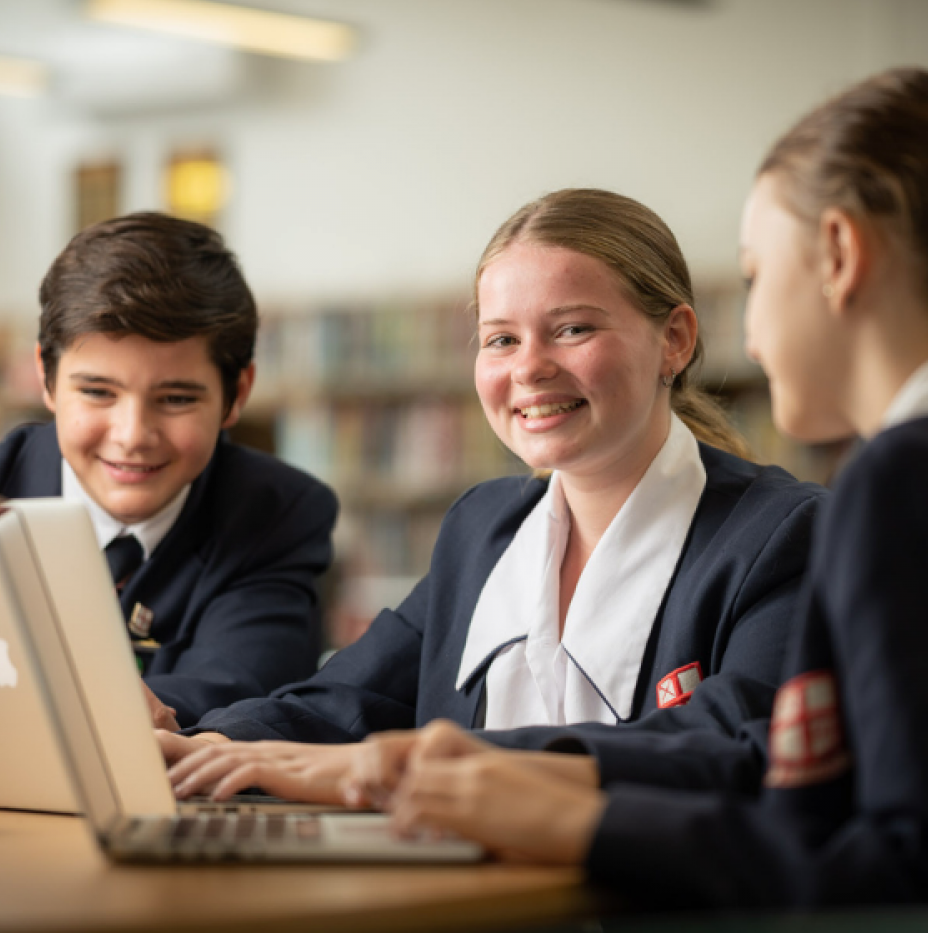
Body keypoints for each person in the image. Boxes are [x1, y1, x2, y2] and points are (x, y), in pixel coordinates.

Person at [344, 68, 928, 909]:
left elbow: (904, 856)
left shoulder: (905, 479)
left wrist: (576, 820)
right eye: (498, 339)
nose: (749, 331)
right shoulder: (484, 526)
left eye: (754, 276)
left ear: (840, 254)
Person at [161, 188, 825, 804]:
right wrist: (210, 745)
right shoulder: (483, 527)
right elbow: (346, 700)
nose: (529, 367)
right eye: (501, 339)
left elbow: (728, 745)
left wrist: (418, 762)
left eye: (572, 329)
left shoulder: (782, 534)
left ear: (674, 340)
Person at [0, 212, 337, 729]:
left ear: (238, 394)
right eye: (97, 392)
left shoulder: (278, 512)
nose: (133, 434)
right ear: (46, 380)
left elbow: (242, 685)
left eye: (176, 398)